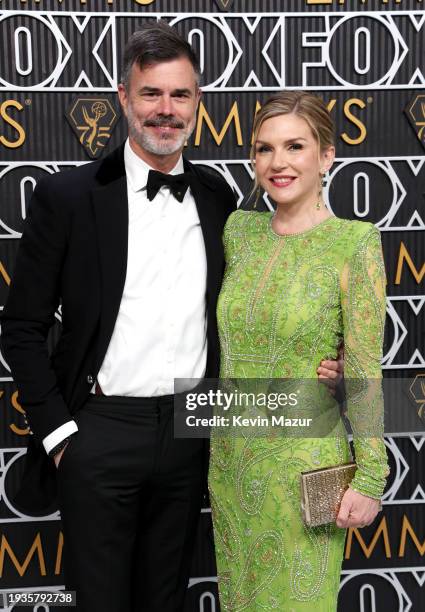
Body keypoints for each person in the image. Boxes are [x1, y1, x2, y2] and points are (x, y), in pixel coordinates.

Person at [1, 25, 341, 612]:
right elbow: (22, 327)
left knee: (167, 599)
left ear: (198, 103)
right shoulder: (70, 197)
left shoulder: (218, 199)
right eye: (151, 94)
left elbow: (254, 310)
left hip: (194, 432)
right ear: (124, 98)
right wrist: (60, 437)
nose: (166, 110)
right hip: (98, 431)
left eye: (180, 95)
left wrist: (318, 371)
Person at [208, 91, 389, 611]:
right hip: (232, 463)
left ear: (326, 155)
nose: (278, 162)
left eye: (295, 146)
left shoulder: (354, 242)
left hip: (308, 466)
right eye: (264, 149)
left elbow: (362, 368)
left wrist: (371, 475)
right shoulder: (238, 233)